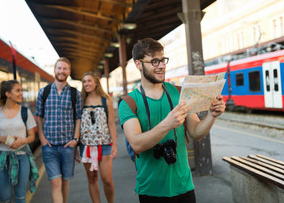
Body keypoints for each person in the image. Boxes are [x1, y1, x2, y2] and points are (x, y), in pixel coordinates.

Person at [119, 38, 226, 203]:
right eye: (154, 61)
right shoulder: (129, 103)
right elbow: (136, 144)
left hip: (184, 186)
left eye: (163, 60)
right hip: (151, 189)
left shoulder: (179, 93)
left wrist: (212, 116)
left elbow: (196, 132)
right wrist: (168, 124)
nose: (161, 66)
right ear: (138, 64)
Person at [34, 57, 82, 203]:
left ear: (69, 72)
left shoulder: (75, 94)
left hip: (68, 146)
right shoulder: (44, 92)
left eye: (64, 68)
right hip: (50, 146)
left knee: (65, 182)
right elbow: (39, 116)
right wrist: (41, 137)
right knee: (55, 183)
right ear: (54, 70)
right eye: (59, 68)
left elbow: (78, 118)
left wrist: (75, 139)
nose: (61, 71)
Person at [0, 80, 38, 203]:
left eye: (21, 90)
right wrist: (0, 139)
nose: (21, 93)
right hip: (2, 159)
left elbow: (32, 136)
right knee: (5, 198)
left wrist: (22, 141)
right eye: (18, 90)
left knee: (20, 197)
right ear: (8, 94)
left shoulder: (25, 112)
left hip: (22, 157)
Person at [79, 71, 118, 203]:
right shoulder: (81, 101)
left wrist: (115, 145)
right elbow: (76, 123)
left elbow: (111, 123)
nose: (86, 84)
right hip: (86, 145)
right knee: (92, 178)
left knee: (107, 179)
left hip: (105, 144)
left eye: (89, 81)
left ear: (96, 83)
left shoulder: (106, 100)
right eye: (84, 81)